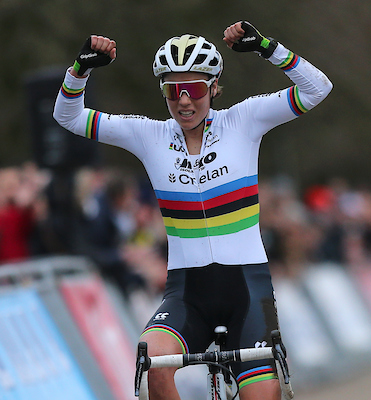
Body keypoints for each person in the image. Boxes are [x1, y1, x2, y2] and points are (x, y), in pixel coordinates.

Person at [54, 21, 332, 400]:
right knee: (152, 358)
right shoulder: (149, 135)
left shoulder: (244, 120)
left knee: (260, 394)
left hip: (249, 292)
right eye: (174, 90)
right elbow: (68, 116)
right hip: (187, 294)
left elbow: (318, 88)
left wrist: (268, 47)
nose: (184, 100)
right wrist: (79, 70)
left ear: (214, 87)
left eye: (195, 89)